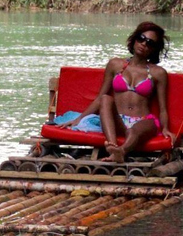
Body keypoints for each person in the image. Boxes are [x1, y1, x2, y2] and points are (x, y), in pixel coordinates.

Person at [58, 21, 176, 162]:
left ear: (154, 49)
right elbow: (101, 97)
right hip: (118, 121)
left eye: (150, 43)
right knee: (106, 99)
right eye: (141, 38)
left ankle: (120, 152)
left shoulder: (158, 73)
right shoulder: (115, 65)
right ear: (134, 40)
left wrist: (166, 129)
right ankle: (113, 147)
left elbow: (163, 108)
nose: (144, 44)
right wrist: (78, 120)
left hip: (144, 121)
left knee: (134, 131)